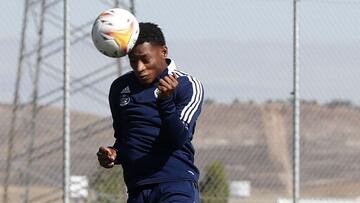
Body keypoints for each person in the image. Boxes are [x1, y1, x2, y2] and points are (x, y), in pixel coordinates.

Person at [97, 22, 204, 203]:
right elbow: (126, 140)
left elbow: (178, 139)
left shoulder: (186, 85)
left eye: (145, 59)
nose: (139, 67)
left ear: (163, 52)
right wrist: (114, 154)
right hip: (137, 188)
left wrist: (166, 102)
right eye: (133, 61)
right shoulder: (120, 88)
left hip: (175, 185)